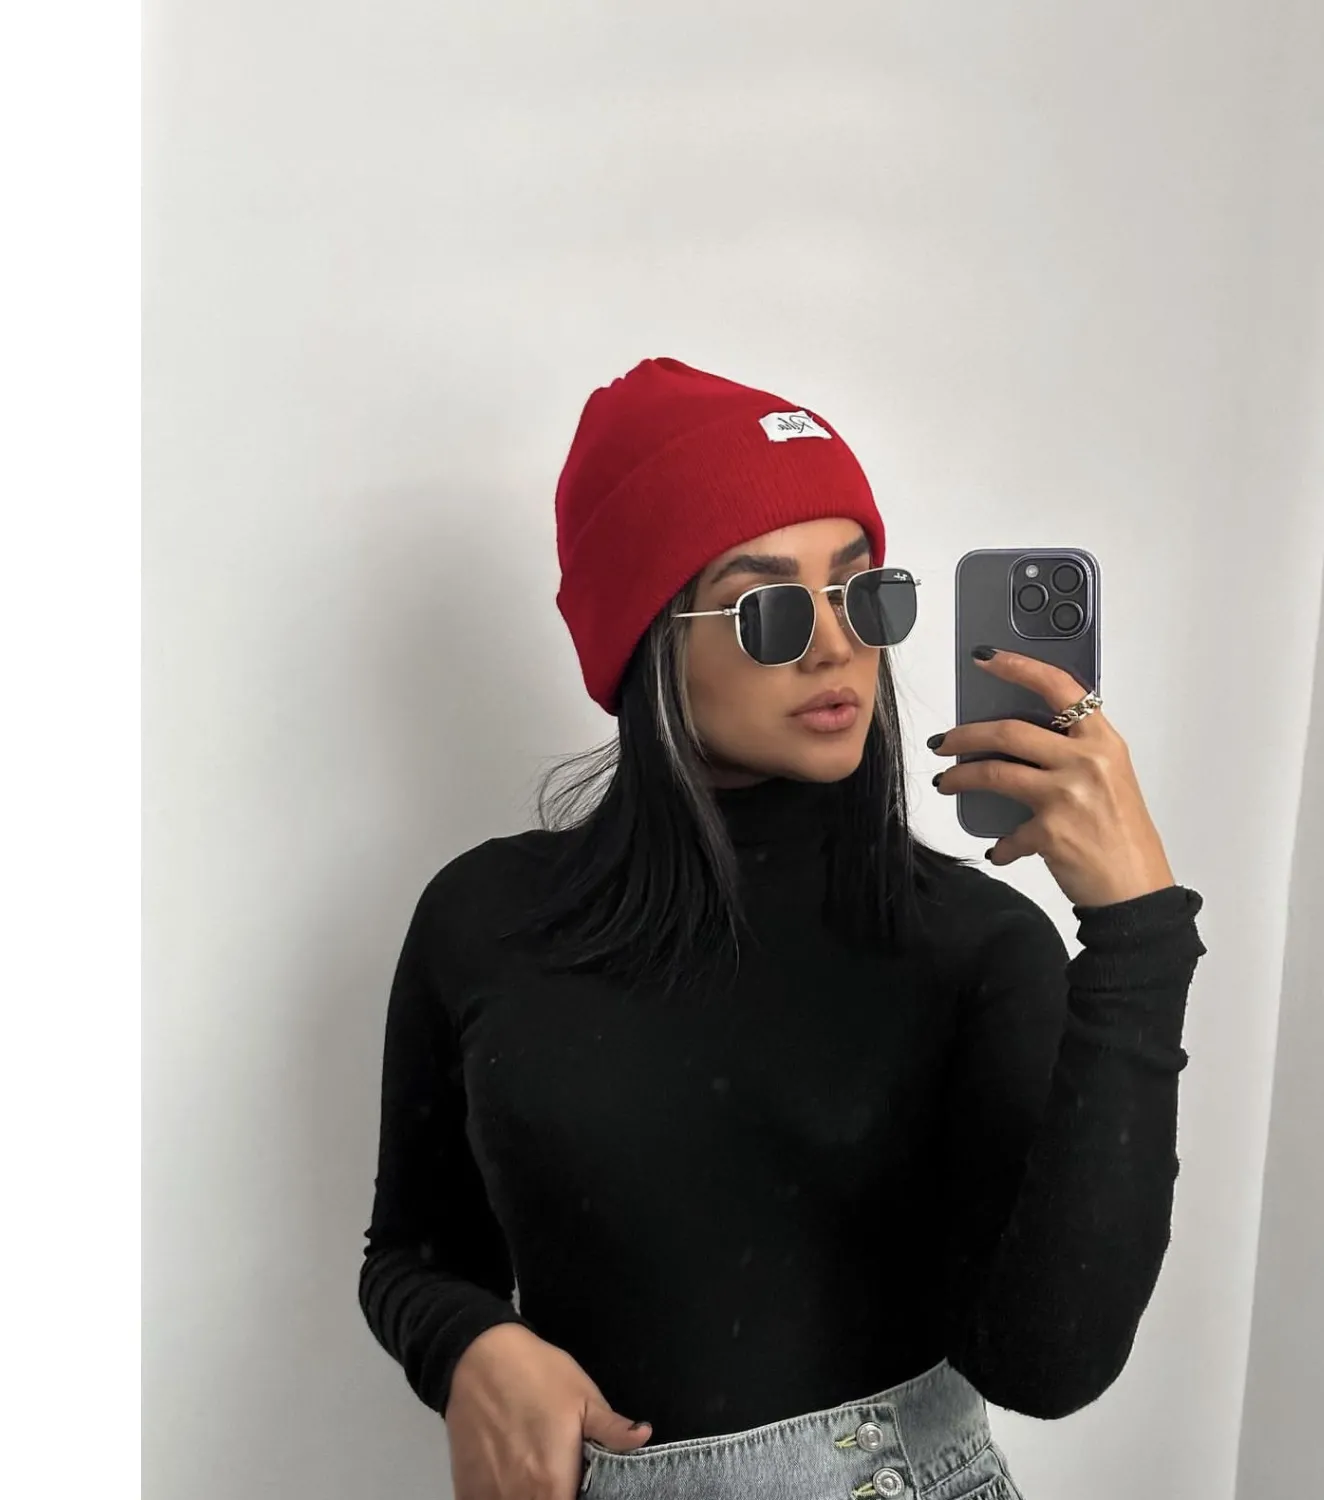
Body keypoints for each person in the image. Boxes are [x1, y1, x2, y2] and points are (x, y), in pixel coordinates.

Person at [357, 356, 1207, 1500]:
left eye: (863, 593)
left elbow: (1048, 1363)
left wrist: (1136, 935)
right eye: (769, 607)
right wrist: (471, 1345)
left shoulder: (974, 946)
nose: (835, 646)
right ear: (647, 636)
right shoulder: (485, 921)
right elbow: (412, 1254)